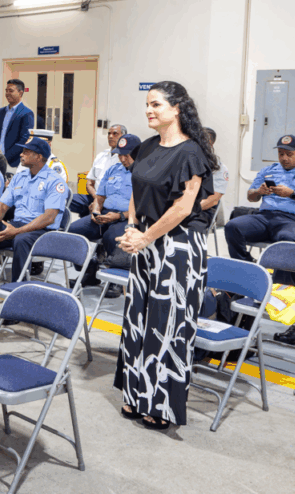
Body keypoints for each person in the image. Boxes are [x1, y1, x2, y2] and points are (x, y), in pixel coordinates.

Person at [114, 81, 217, 430]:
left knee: (166, 324)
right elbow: (136, 190)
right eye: (147, 104)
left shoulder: (191, 153)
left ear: (176, 108)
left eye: (156, 104)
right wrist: (132, 227)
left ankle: (159, 404)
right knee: (137, 319)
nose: (149, 110)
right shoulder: (146, 146)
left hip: (178, 247)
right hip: (145, 240)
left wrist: (145, 237)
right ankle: (135, 394)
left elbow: (183, 208)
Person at [224, 135, 295, 268]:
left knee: (287, 239)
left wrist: (292, 194)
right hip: (264, 218)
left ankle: (279, 278)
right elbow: (251, 196)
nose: (284, 158)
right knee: (232, 226)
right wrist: (259, 191)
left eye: (289, 154)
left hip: (292, 221)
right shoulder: (268, 170)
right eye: (280, 153)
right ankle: (248, 266)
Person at [0, 137, 68, 282]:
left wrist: (16, 232)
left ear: (39, 157)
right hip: (17, 226)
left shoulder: (55, 181)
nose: (21, 154)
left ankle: (19, 286)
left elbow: (49, 217)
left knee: (21, 240)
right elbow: (2, 205)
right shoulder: (20, 177)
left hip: (42, 231)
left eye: (26, 152)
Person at [71, 133, 141, 298]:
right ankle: (89, 270)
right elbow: (100, 197)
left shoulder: (144, 174)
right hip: (104, 214)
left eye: (126, 155)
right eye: (120, 155)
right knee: (73, 231)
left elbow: (142, 207)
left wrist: (118, 216)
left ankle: (116, 280)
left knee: (113, 238)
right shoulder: (113, 169)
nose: (122, 159)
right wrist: (96, 211)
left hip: (126, 217)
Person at [73, 124, 124, 213]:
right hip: (94, 196)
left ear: (123, 137)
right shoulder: (101, 156)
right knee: (66, 198)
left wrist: (100, 201)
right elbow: (89, 183)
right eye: (109, 134)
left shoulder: (125, 158)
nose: (110, 136)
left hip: (111, 202)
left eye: (115, 134)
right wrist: (96, 198)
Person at [0, 79, 34, 171]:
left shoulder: (26, 113)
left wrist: (5, 157)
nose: (7, 94)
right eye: (6, 91)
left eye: (11, 91)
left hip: (14, 162)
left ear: (20, 93)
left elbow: (24, 139)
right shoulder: (1, 112)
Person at [200, 128, 229, 218]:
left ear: (211, 144)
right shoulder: (183, 161)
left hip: (201, 210)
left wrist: (186, 210)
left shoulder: (219, 168)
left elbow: (213, 200)